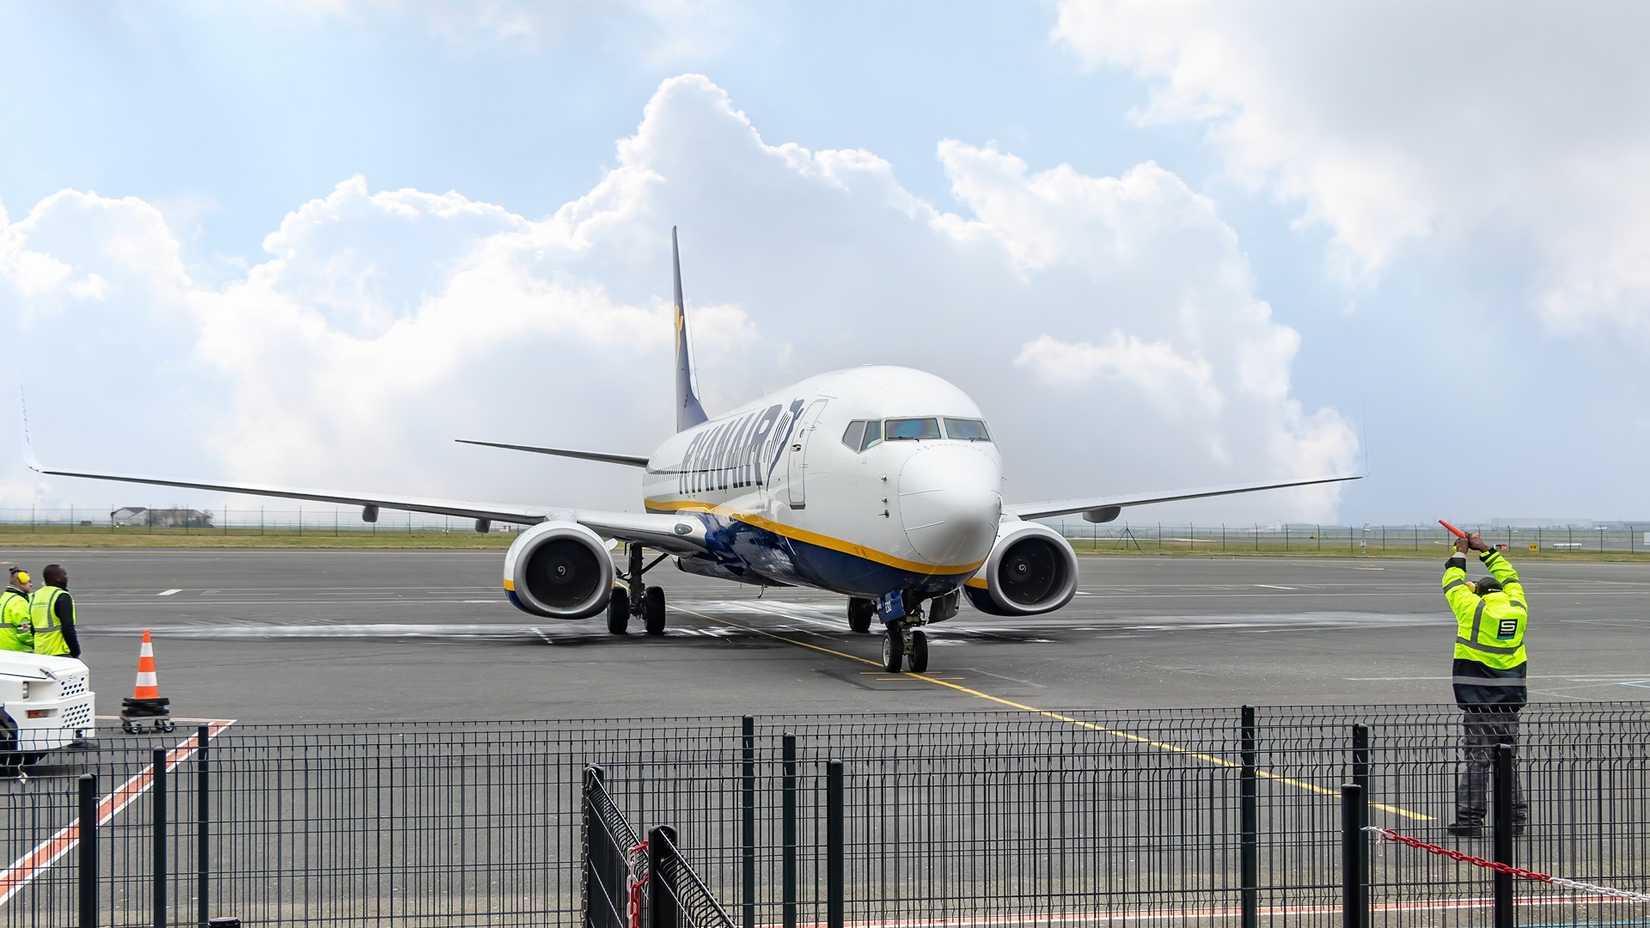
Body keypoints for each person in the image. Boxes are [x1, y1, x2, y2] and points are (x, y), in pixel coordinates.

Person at [1442, 532, 1529, 837]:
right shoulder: (1518, 608)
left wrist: (1460, 553)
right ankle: (1514, 820)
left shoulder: (1473, 610)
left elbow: (1452, 582)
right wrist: (1487, 551)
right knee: (1509, 761)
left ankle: (1469, 820)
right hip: (1510, 703)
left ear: (1479, 593)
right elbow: (1512, 577)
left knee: (1478, 762)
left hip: (1479, 703)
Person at [29, 564, 81, 659]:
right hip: (59, 652)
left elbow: (32, 627)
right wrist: (75, 651)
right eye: (64, 575)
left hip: (40, 651)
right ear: (57, 578)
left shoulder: (34, 596)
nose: (66, 577)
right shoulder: (61, 596)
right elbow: (67, 627)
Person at [0, 567, 32, 652]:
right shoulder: (19, 601)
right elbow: (24, 632)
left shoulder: (4, 598)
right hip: (19, 652)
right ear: (21, 582)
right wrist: (35, 643)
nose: (31, 584)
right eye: (29, 581)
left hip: (4, 650)